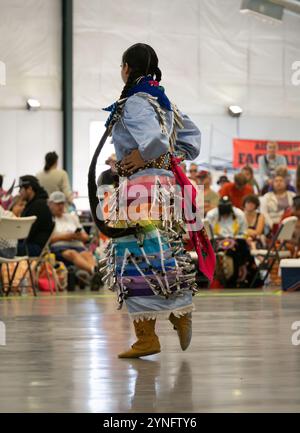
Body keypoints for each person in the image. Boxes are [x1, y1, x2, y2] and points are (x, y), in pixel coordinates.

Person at [92, 43, 214, 358]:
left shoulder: (134, 102)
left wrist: (141, 156)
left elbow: (155, 141)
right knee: (159, 255)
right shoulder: (164, 102)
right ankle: (165, 322)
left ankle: (162, 326)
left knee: (131, 258)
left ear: (127, 68)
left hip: (141, 192)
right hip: (163, 189)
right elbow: (192, 139)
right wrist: (160, 159)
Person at [48, 191, 101, 290]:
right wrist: (67, 236)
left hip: (77, 244)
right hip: (60, 247)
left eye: (62, 203)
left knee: (88, 254)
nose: (60, 206)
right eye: (57, 204)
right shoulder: (49, 220)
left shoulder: (72, 217)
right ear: (50, 204)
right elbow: (49, 240)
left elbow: (86, 237)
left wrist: (79, 236)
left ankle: (94, 273)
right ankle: (94, 272)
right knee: (72, 254)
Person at [206, 197, 261, 288]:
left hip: (236, 239)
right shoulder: (211, 215)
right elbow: (208, 233)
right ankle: (223, 279)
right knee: (225, 249)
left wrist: (232, 239)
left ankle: (241, 278)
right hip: (217, 239)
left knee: (238, 249)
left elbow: (243, 232)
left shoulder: (239, 214)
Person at [17, 175, 54, 257]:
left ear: (29, 189)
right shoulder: (36, 203)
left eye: (21, 188)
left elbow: (25, 233)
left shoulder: (38, 206)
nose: (19, 192)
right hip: (33, 246)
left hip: (34, 248)